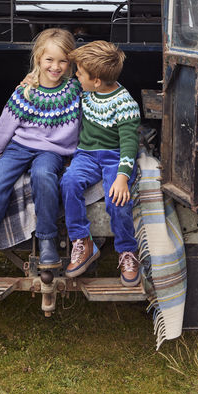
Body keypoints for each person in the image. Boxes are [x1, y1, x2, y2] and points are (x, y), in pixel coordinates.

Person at [0, 28, 81, 286]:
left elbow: (91, 111)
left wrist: (79, 155)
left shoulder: (75, 89)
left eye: (63, 60)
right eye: (49, 60)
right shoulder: (25, 91)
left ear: (70, 62)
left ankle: (47, 240)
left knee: (44, 175)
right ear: (39, 59)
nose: (55, 66)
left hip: (52, 151)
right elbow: (5, 126)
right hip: (19, 147)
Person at [60, 40, 141, 287]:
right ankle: (82, 242)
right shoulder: (84, 89)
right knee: (69, 182)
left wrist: (122, 177)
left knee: (117, 200)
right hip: (86, 154)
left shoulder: (125, 104)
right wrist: (30, 82)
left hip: (115, 156)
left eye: (80, 73)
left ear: (96, 80)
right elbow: (55, 85)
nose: (75, 76)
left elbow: (129, 145)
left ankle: (127, 252)